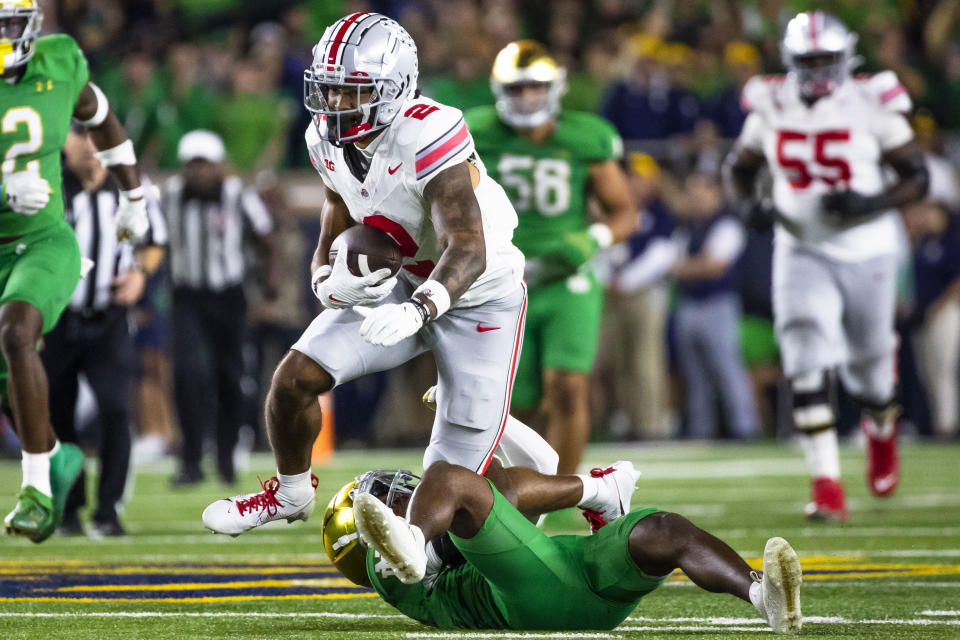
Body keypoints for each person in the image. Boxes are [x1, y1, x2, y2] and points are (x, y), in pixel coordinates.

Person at [202, 13, 557, 536]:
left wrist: (421, 309)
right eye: (329, 90)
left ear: (394, 90)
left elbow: (468, 245)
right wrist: (326, 278)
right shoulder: (324, 139)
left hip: (480, 293)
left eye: (351, 92)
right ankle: (292, 493)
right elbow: (335, 215)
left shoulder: (429, 130)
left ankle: (594, 486)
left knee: (450, 486)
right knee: (295, 378)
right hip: (406, 279)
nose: (335, 104)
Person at [723, 11, 929, 520]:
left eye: (825, 59)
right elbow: (739, 168)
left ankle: (880, 428)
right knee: (804, 353)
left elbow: (916, 175)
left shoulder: (869, 100)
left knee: (870, 368)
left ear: (845, 59)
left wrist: (871, 202)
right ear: (791, 61)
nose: (817, 69)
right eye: (808, 59)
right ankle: (827, 485)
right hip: (800, 247)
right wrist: (747, 205)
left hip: (869, 247)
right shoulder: (772, 103)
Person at [322, 461, 803, 634]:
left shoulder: (441, 529)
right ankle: (603, 491)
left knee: (664, 529)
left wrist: (492, 419)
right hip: (521, 600)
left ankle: (762, 596)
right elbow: (473, 488)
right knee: (450, 475)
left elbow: (529, 469)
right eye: (387, 496)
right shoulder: (384, 566)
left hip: (569, 576)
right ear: (362, 534)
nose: (402, 493)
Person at [0, 1, 150, 542]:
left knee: (16, 333)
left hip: (43, 241)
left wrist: (132, 193)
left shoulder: (60, 61)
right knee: (7, 383)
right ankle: (59, 459)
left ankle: (37, 491)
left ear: (33, 26)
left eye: (8, 25)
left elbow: (101, 118)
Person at [465, 41, 635, 474]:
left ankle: (562, 490)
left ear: (555, 87)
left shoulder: (584, 135)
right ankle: (512, 499)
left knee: (568, 386)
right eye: (516, 88)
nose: (526, 98)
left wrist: (593, 237)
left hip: (566, 276)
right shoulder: (474, 132)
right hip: (499, 278)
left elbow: (624, 210)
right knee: (510, 402)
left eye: (535, 87)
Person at [41, 129, 165, 537]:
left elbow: (154, 240)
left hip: (109, 317)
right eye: (82, 137)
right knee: (57, 414)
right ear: (65, 141)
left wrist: (140, 276)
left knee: (115, 408)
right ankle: (71, 509)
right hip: (56, 319)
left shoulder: (130, 185)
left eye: (98, 137)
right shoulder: (45, 185)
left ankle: (108, 510)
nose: (91, 147)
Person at [162, 129, 280, 486]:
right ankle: (191, 460)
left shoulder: (237, 195)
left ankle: (226, 458)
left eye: (204, 165)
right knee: (187, 375)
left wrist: (269, 287)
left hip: (229, 296)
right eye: (191, 165)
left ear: (218, 167)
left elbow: (265, 239)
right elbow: (151, 239)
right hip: (187, 296)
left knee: (230, 377)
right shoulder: (169, 196)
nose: (198, 173)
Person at [672, 173, 759, 440]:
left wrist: (687, 267)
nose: (697, 198)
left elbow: (715, 265)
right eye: (692, 192)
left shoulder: (728, 224)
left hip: (719, 306)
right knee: (695, 376)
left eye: (702, 191)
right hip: (689, 305)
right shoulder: (688, 227)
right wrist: (694, 265)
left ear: (716, 194)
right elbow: (676, 264)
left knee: (728, 369)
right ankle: (701, 430)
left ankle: (745, 428)